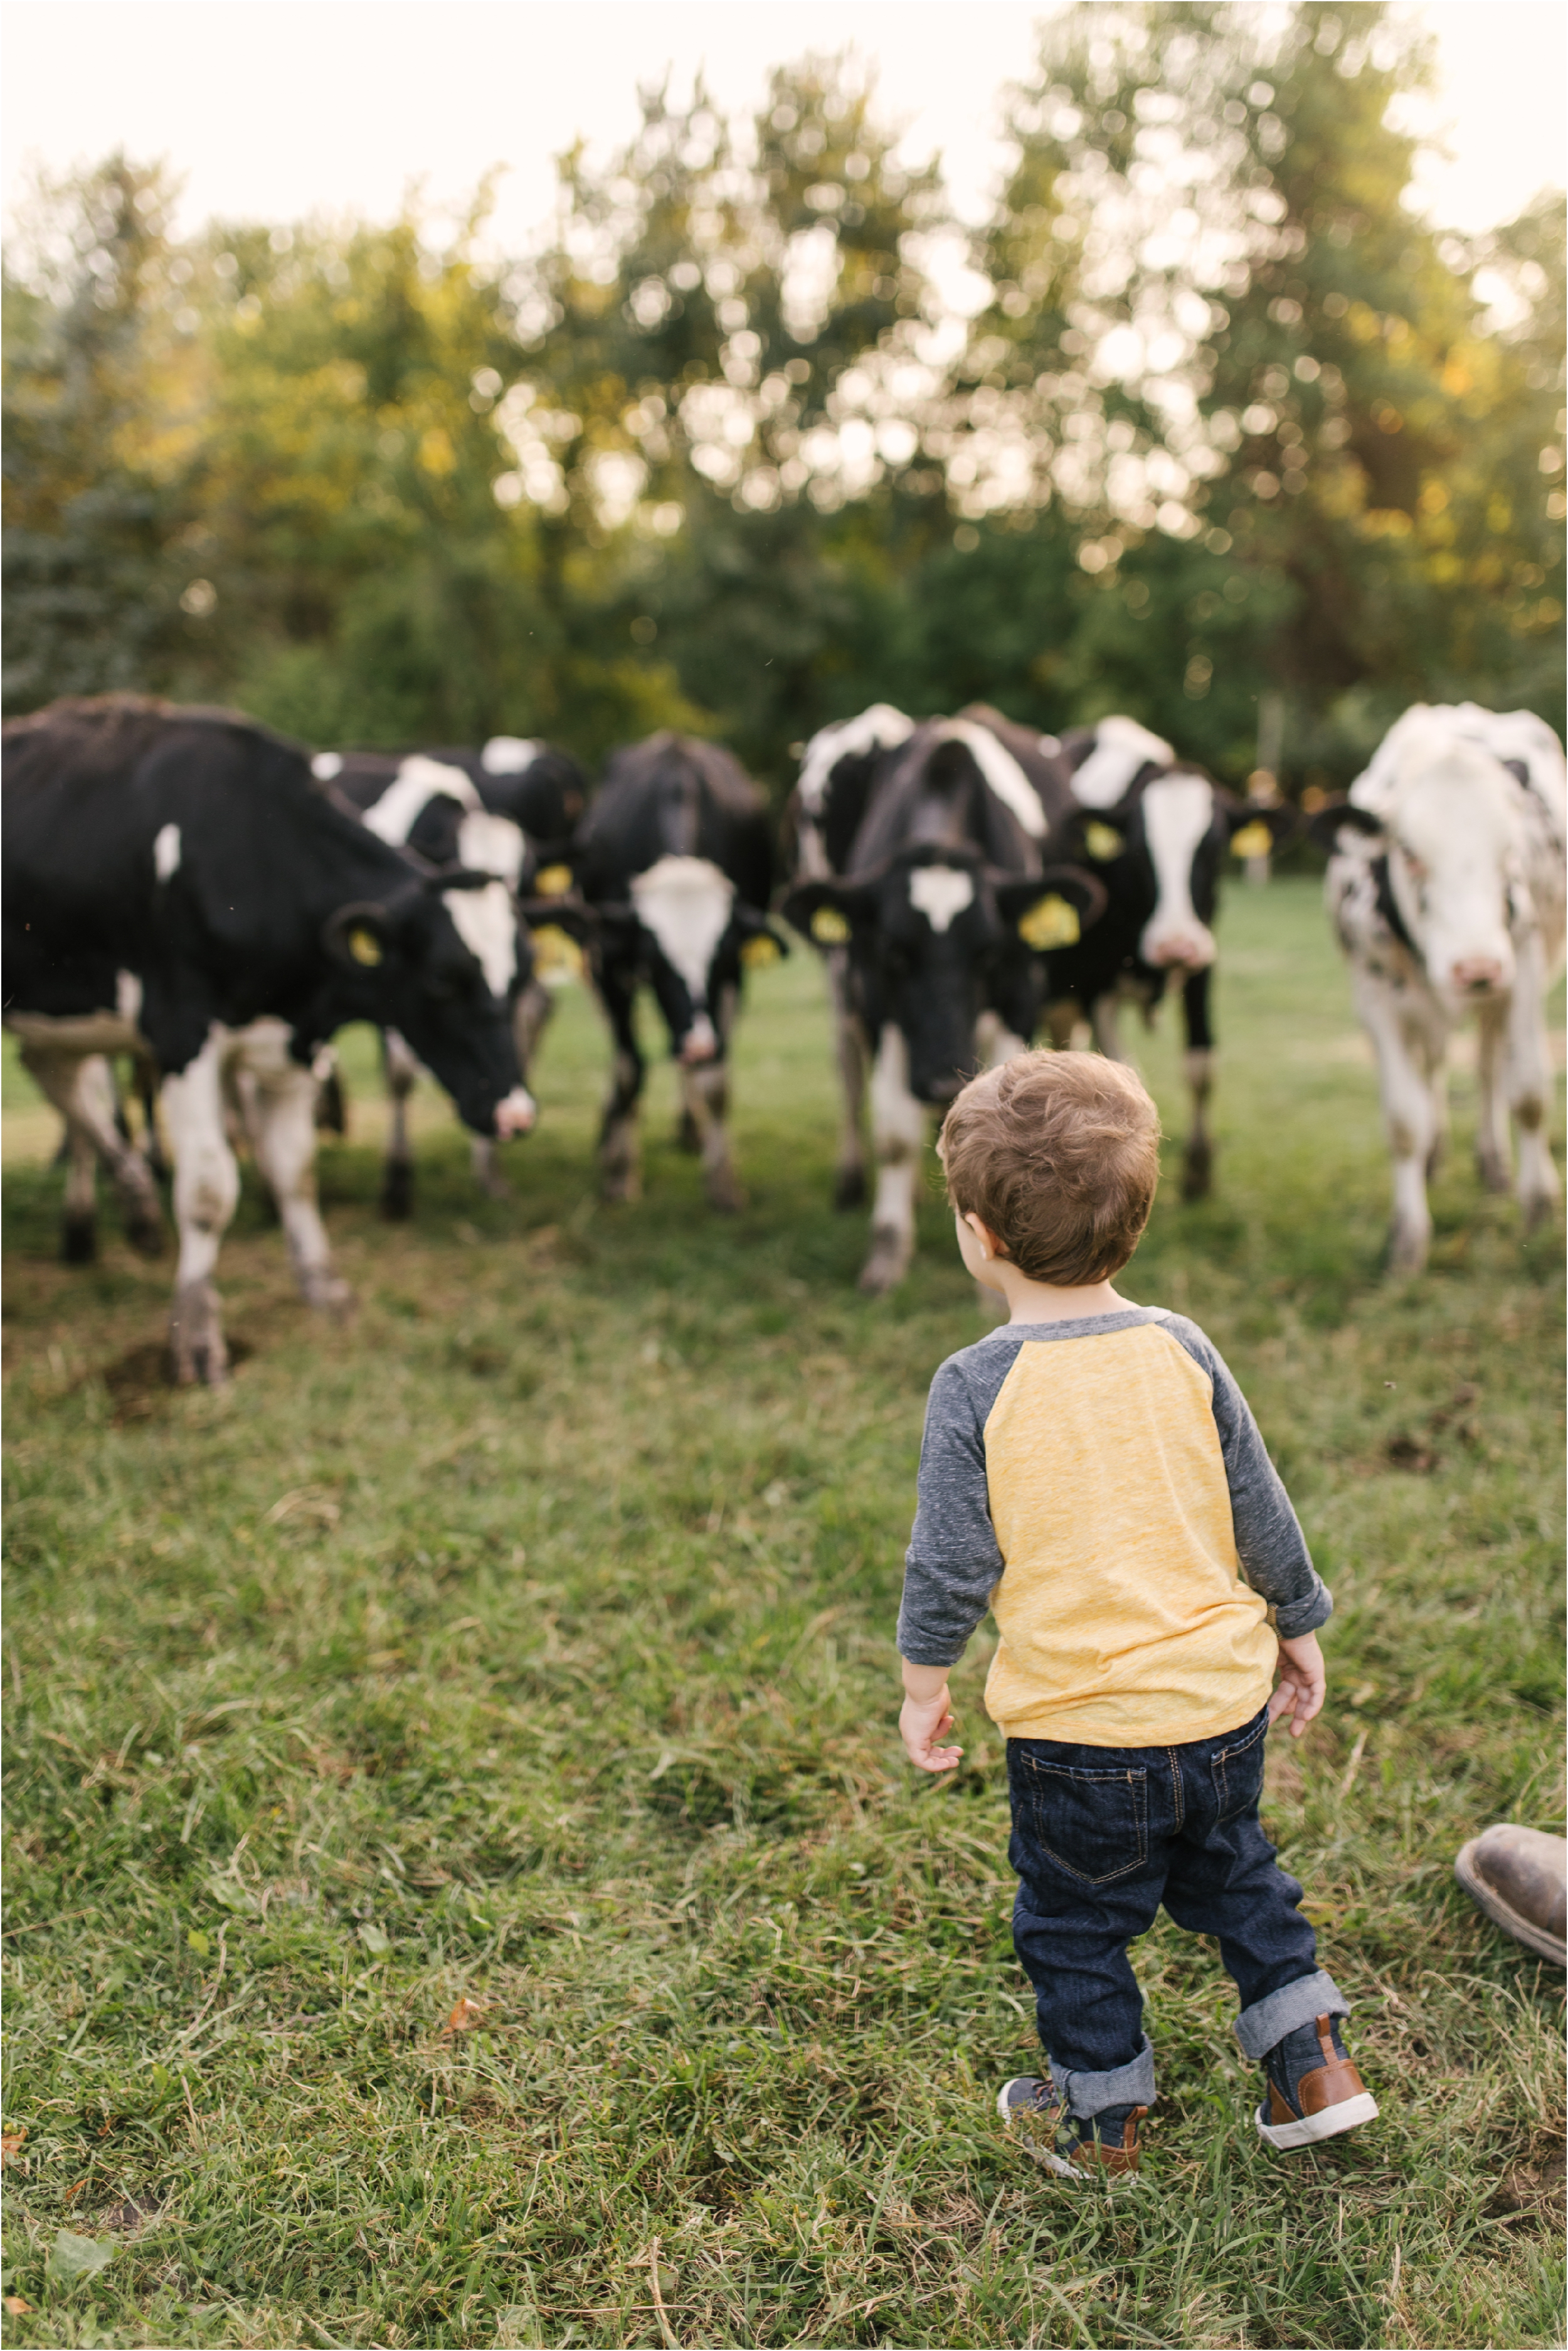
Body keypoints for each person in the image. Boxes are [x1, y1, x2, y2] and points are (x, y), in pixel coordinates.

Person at [896, 1049, 1377, 2179]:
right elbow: (1259, 1502)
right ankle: (1316, 2066)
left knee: (1073, 1928)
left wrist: (926, 1683)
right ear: (1138, 1217)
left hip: (1079, 1738)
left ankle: (1104, 2123)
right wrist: (1295, 1621)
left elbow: (950, 1566)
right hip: (1218, 1715)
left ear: (979, 1232)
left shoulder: (975, 1383)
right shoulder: (1181, 1345)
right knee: (1242, 1882)